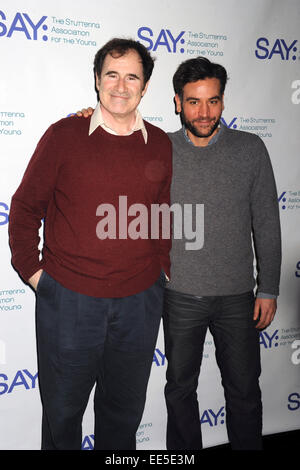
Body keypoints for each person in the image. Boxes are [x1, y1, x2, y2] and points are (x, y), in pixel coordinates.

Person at [76, 56, 281, 451]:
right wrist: (90, 116)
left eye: (213, 101)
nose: (204, 112)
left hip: (238, 296)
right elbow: (110, 137)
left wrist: (267, 288)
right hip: (178, 294)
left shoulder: (250, 149)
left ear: (223, 101)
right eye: (193, 102)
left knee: (243, 390)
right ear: (176, 102)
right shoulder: (157, 146)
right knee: (180, 390)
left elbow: (267, 222)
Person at [8, 38, 172, 450]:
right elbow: (26, 208)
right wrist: (38, 276)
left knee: (123, 417)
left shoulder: (162, 144)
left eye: (131, 76)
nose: (121, 86)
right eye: (111, 75)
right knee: (62, 418)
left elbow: (164, 216)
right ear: (97, 81)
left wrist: (162, 275)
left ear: (145, 86)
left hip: (139, 304)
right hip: (69, 302)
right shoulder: (64, 135)